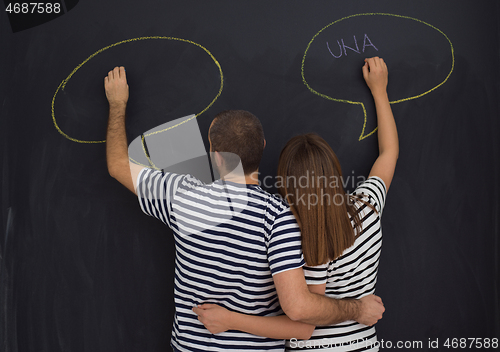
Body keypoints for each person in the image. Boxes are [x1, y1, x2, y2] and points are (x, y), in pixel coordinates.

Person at [104, 63, 385, 352]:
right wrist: (356, 309)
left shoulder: (181, 196)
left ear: (215, 155)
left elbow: (117, 166)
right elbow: (300, 315)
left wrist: (117, 104)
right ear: (263, 147)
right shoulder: (281, 218)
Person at [193, 56, 398, 351]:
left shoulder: (304, 238)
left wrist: (230, 319)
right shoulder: (368, 206)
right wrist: (380, 91)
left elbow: (303, 315)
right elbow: (388, 153)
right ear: (334, 170)